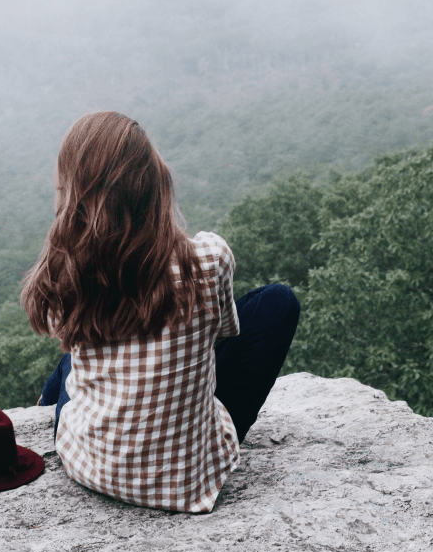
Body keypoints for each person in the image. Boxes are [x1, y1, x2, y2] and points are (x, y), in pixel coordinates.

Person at [22, 111, 300, 513]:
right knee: (277, 302)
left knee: (75, 349)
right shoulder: (210, 258)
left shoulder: (67, 272)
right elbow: (222, 337)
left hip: (88, 464)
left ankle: (46, 401)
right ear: (155, 181)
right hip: (187, 482)